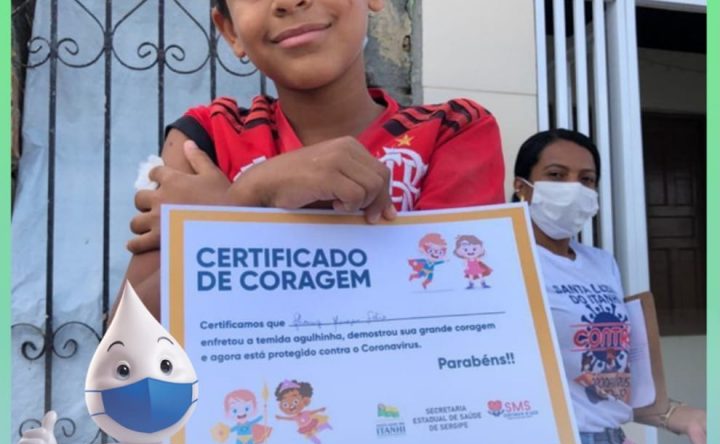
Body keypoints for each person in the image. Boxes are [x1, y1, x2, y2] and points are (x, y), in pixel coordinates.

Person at [121, 0, 505, 319]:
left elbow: (463, 315)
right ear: (230, 30)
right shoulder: (207, 137)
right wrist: (251, 194)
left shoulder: (451, 129)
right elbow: (127, 352)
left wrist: (228, 217)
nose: (289, 2)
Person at [477, 129, 706, 444]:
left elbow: (609, 372)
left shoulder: (601, 263)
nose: (574, 188)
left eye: (586, 179)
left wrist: (676, 414)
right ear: (522, 186)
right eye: (556, 175)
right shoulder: (498, 257)